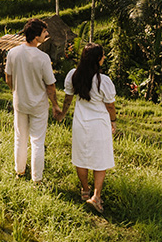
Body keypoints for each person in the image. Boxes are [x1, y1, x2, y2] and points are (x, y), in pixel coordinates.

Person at [59, 43, 116, 213]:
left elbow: (68, 98)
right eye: (103, 55)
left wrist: (63, 113)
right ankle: (96, 196)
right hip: (99, 124)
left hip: (80, 123)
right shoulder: (103, 80)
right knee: (100, 159)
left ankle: (85, 190)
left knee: (81, 156)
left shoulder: (73, 75)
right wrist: (113, 121)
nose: (104, 57)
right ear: (98, 59)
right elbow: (110, 106)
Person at [5, 18, 61, 183]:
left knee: (20, 138)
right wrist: (56, 106)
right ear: (36, 36)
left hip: (20, 103)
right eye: (44, 32)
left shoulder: (13, 53)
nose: (47, 34)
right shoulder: (43, 58)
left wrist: (15, 91)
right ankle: (37, 179)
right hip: (38, 106)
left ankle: (20, 171)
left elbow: (8, 78)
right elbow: (50, 86)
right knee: (37, 141)